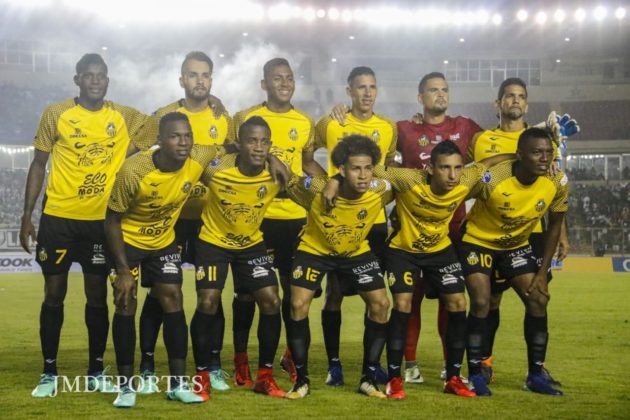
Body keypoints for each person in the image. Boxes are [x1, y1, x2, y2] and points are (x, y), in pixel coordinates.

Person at [20, 53, 149, 398]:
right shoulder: (56, 113)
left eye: (101, 75)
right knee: (54, 293)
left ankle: (95, 370)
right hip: (59, 218)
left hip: (100, 222)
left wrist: (126, 152)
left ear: (107, 81)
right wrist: (27, 215)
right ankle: (49, 372)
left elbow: (160, 123)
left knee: (97, 296)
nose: (95, 80)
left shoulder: (122, 116)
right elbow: (38, 164)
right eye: (88, 75)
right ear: (77, 79)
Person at [105, 112, 224, 407]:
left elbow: (231, 148)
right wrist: (122, 270)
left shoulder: (199, 156)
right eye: (175, 136)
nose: (183, 142)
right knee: (125, 301)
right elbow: (111, 220)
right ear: (159, 140)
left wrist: (272, 159)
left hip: (163, 242)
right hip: (128, 242)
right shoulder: (134, 171)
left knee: (173, 297)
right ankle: (126, 388)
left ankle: (178, 384)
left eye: (187, 136)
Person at [131, 51, 234, 393]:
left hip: (210, 221)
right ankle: (147, 365)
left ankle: (211, 366)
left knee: (212, 294)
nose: (199, 81)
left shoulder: (223, 117)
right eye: (193, 74)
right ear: (182, 80)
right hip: (169, 221)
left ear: (211, 80)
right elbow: (135, 153)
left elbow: (233, 154)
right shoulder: (163, 116)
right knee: (159, 294)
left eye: (205, 75)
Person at [467, 78, 572, 384]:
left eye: (521, 96)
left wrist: (562, 232)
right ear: (498, 103)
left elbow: (554, 194)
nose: (515, 100)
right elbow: (469, 175)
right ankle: (484, 362)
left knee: (538, 295)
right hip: (489, 229)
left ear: (526, 104)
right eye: (509, 96)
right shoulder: (481, 139)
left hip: (531, 231)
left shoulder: (545, 140)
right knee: (491, 299)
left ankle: (537, 368)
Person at [231, 58, 325, 386]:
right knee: (248, 295)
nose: (285, 83)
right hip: (257, 217)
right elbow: (231, 151)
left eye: (289, 78)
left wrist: (330, 184)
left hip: (296, 218)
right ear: (264, 84)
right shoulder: (245, 118)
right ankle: (241, 359)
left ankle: (290, 355)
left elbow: (307, 163)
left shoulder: (305, 121)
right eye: (277, 78)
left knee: (294, 293)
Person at [284, 135, 392, 400]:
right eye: (356, 169)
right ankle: (301, 381)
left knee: (381, 304)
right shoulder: (316, 189)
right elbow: (289, 179)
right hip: (315, 249)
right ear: (342, 169)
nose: (363, 175)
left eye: (368, 168)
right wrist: (331, 181)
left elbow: (406, 177)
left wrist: (336, 179)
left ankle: (368, 379)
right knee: (297, 304)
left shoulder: (381, 189)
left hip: (355, 251)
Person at [394, 72, 481, 384]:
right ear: (421, 97)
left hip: (452, 230)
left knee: (452, 299)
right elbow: (376, 157)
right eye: (433, 90)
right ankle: (410, 365)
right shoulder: (403, 129)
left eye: (444, 89)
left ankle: (450, 364)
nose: (440, 94)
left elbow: (497, 149)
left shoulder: (466, 127)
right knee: (409, 300)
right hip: (411, 228)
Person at [191, 116, 286, 398]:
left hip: (251, 244)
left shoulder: (277, 174)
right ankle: (201, 377)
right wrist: (224, 148)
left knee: (271, 300)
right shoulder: (216, 170)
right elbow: (192, 163)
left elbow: (303, 187)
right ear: (240, 144)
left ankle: (264, 377)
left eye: (264, 142)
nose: (258, 147)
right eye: (252, 141)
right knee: (208, 300)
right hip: (213, 242)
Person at [313, 66, 397, 385]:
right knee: (334, 293)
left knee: (374, 295)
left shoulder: (387, 127)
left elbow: (388, 170)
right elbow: (305, 154)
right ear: (349, 91)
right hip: (337, 221)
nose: (367, 93)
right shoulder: (332, 122)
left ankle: (370, 365)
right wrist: (328, 181)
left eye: (372, 87)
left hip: (374, 223)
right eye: (361, 87)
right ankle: (333, 365)